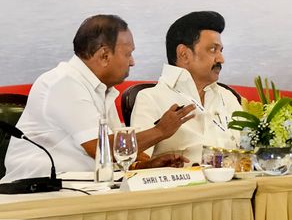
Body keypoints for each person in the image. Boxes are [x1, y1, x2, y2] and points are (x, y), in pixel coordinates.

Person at [2, 15, 192, 182]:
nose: (132, 62)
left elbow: (118, 152)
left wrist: (147, 165)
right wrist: (160, 131)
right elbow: (101, 149)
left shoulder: (103, 90)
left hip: (82, 189)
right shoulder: (63, 83)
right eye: (128, 54)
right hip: (37, 193)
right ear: (104, 55)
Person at [131, 11, 241, 165]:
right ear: (184, 54)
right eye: (212, 50)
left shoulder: (227, 97)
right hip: (181, 186)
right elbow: (135, 160)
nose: (221, 59)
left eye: (220, 50)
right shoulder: (151, 98)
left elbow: (249, 149)